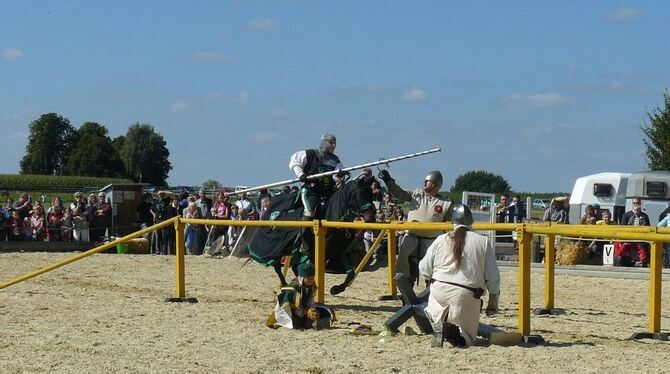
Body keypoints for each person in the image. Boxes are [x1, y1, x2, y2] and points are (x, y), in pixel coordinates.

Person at [419, 204, 500, 348]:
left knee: (433, 308)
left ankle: (440, 324)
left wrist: (429, 278)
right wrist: (493, 300)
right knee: (467, 339)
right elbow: (492, 275)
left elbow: (424, 267)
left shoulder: (441, 239)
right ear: (471, 222)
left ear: (452, 222)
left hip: (439, 291)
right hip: (467, 295)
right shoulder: (483, 242)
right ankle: (458, 335)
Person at [378, 169, 453, 285]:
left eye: (427, 181)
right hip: (411, 239)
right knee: (405, 272)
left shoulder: (445, 203)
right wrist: (388, 181)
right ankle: (406, 299)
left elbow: (449, 224)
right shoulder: (416, 194)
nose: (424, 183)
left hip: (431, 242)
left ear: (434, 184)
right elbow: (399, 192)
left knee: (434, 273)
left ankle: (431, 298)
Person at [289, 133, 346, 256]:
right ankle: (304, 243)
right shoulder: (310, 154)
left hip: (328, 192)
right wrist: (301, 175)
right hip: (311, 190)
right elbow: (295, 162)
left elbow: (337, 174)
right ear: (324, 142)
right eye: (331, 142)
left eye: (335, 143)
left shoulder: (335, 160)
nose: (334, 145)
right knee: (310, 212)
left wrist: (339, 176)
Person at [267, 262, 334, 330]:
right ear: (302, 278)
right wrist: (306, 312)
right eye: (308, 278)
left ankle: (316, 323)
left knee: (327, 310)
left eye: (312, 278)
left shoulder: (312, 285)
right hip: (289, 311)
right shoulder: (293, 288)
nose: (311, 280)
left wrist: (312, 309)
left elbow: (310, 300)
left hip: (304, 309)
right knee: (295, 324)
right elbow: (294, 306)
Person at [615, 197, 650, 267]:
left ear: (640, 204)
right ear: (632, 204)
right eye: (634, 203)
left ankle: (642, 263)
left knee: (643, 250)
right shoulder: (626, 215)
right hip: (629, 239)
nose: (636, 204)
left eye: (637, 203)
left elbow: (648, 228)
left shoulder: (645, 216)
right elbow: (623, 228)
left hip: (640, 240)